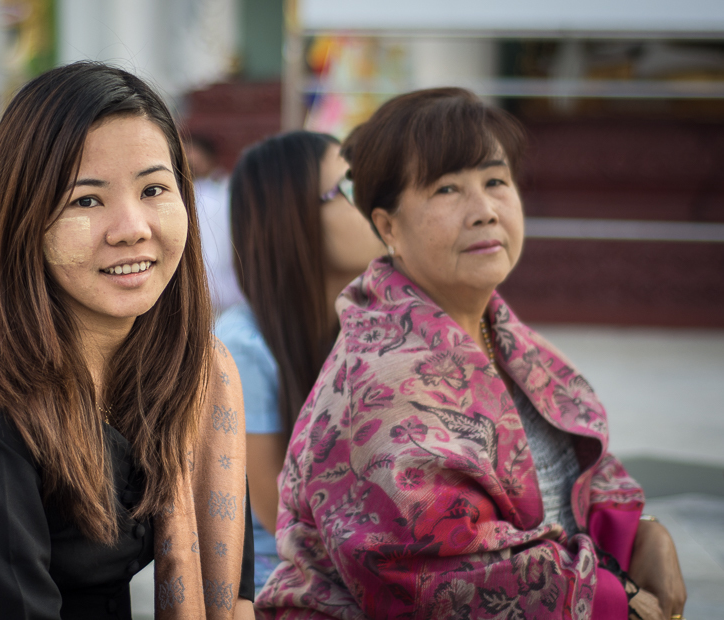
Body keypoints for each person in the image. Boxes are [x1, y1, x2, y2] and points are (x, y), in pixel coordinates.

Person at [255, 89, 686, 620]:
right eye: (447, 189)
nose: (483, 211)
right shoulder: (383, 380)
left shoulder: (509, 339)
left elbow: (583, 473)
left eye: (496, 182)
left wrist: (642, 536)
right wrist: (617, 596)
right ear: (388, 227)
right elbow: (441, 578)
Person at [0, 62, 255, 620]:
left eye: (154, 188)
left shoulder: (195, 377)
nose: (132, 227)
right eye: (87, 200)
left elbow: (239, 597)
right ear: (24, 222)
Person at [215, 131, 384, 589]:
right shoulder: (242, 347)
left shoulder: (366, 323)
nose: (372, 201)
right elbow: (280, 517)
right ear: (294, 218)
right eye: (347, 187)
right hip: (283, 585)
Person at [185, 134, 244, 313]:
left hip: (228, 288)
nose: (189, 161)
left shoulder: (229, 190)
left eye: (193, 156)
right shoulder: (185, 192)